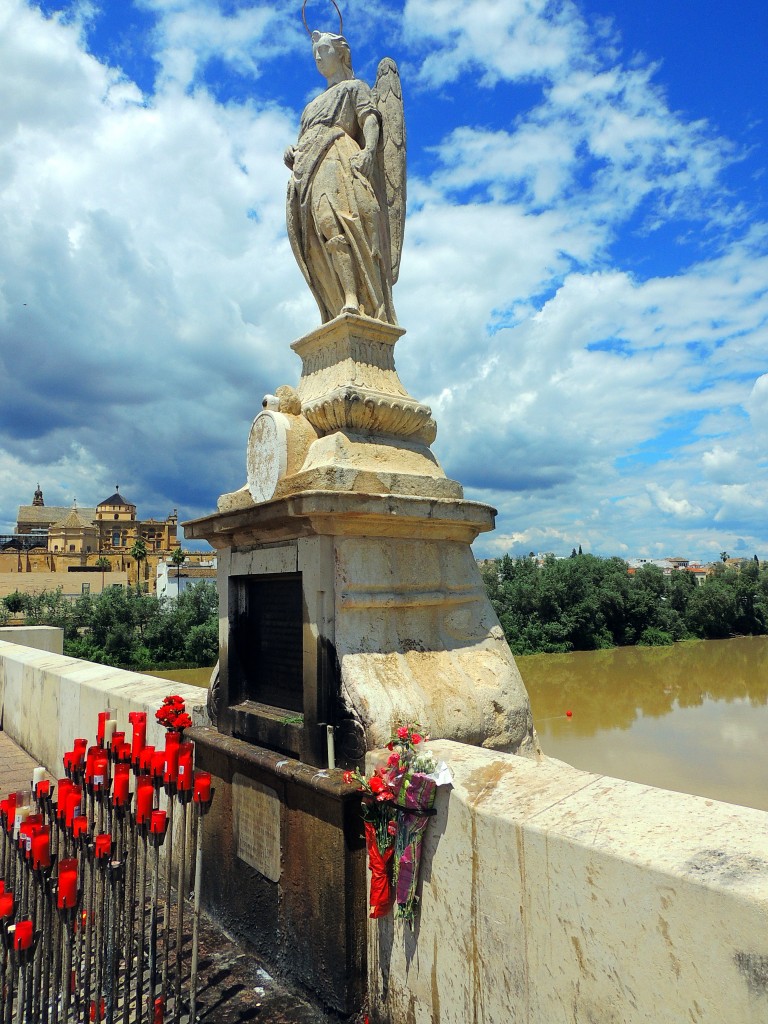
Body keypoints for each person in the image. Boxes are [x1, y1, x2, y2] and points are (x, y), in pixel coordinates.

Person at [285, 31, 397, 325]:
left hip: (338, 157)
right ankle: (335, 302)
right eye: (315, 53)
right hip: (308, 169)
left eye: (324, 50)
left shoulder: (353, 88)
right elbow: (304, 139)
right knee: (313, 238)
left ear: (342, 53)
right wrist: (292, 152)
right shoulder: (310, 107)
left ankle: (352, 298)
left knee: (332, 221)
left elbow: (369, 118)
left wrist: (369, 150)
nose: (318, 57)